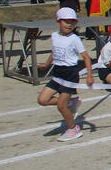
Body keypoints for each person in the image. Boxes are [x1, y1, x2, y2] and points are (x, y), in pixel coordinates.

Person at [36, 8, 94, 142]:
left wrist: (89, 75)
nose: (69, 25)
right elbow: (54, 51)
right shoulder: (55, 36)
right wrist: (46, 64)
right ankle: (71, 102)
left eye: (72, 22)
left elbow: (86, 57)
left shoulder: (75, 39)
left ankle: (74, 129)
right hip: (58, 72)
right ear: (58, 21)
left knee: (61, 106)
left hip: (70, 74)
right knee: (42, 100)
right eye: (66, 21)